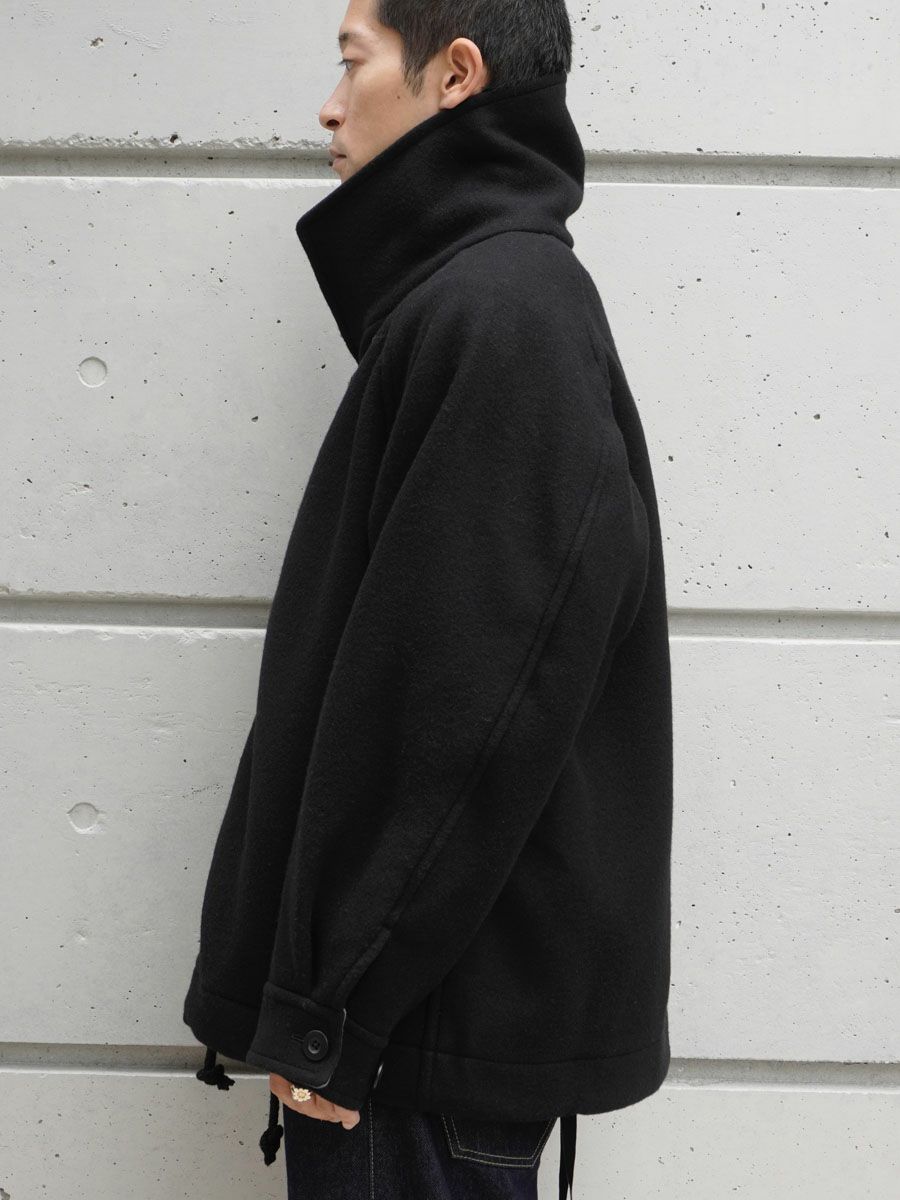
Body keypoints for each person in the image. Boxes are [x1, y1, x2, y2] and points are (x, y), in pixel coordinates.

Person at [183, 1, 674, 1197]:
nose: (328, 106)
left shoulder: (500, 315)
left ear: (455, 75)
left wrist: (335, 1007)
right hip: (424, 1037)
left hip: (418, 1051)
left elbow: (467, 715)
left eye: (352, 62)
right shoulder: (481, 305)